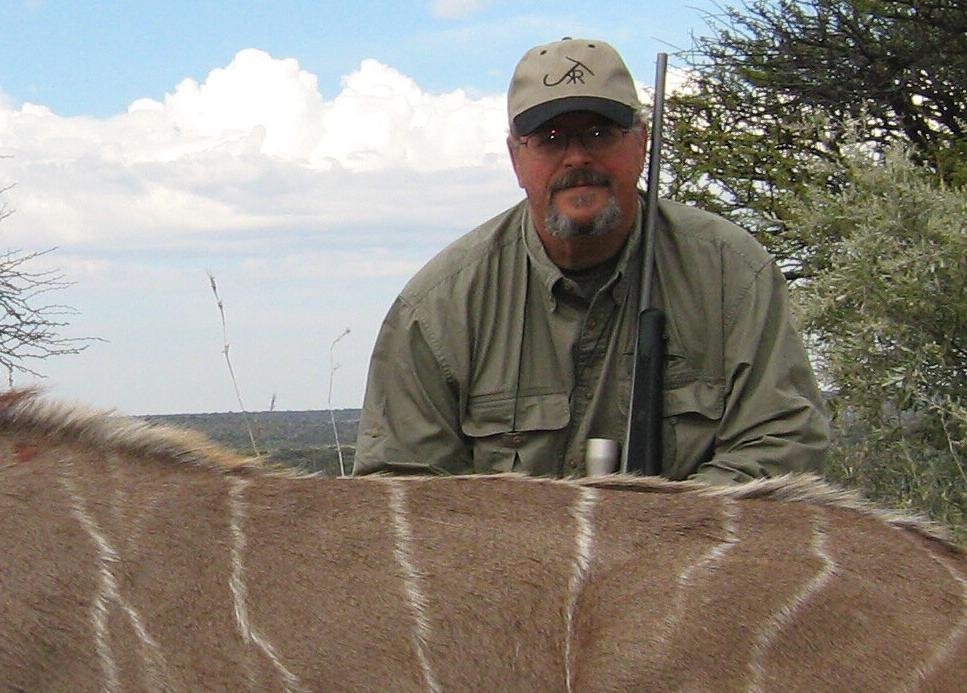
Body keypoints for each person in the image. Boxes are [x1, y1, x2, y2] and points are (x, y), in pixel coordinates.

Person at [353, 37, 827, 483]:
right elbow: (402, 488)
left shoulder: (733, 273)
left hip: (684, 557)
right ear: (517, 158)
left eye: (600, 133)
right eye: (551, 138)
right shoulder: (437, 309)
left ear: (641, 144)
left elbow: (784, 443)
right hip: (509, 563)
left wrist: (662, 529)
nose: (577, 158)